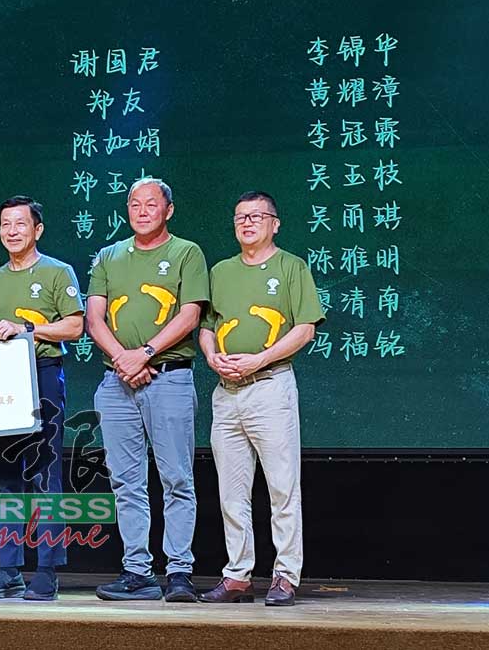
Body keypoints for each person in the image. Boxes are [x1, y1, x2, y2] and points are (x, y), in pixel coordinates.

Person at [198, 191, 324, 607]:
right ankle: (237, 575)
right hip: (226, 392)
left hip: (270, 386)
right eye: (240, 217)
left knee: (282, 488)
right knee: (231, 492)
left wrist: (259, 359)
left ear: (275, 223)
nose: (247, 223)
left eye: (256, 216)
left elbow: (305, 328)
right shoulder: (220, 271)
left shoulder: (291, 267)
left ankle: (285, 575)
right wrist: (212, 357)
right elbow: (207, 326)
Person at [85, 178, 209, 603]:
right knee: (126, 482)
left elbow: (190, 313)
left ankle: (179, 572)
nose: (142, 211)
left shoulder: (186, 252)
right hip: (116, 381)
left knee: (177, 478)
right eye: (134, 204)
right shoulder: (109, 255)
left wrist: (146, 353)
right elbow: (94, 318)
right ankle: (137, 571)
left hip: (169, 377)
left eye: (151, 204)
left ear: (168, 210)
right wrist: (125, 359)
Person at [0, 196, 84, 601]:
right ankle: (9, 569)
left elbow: (75, 326)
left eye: (20, 223)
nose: (11, 231)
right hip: (1, 380)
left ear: (37, 229)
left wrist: (27, 328)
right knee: (6, 478)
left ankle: (47, 570)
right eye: (5, 224)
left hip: (43, 374)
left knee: (45, 475)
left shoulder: (57, 271)